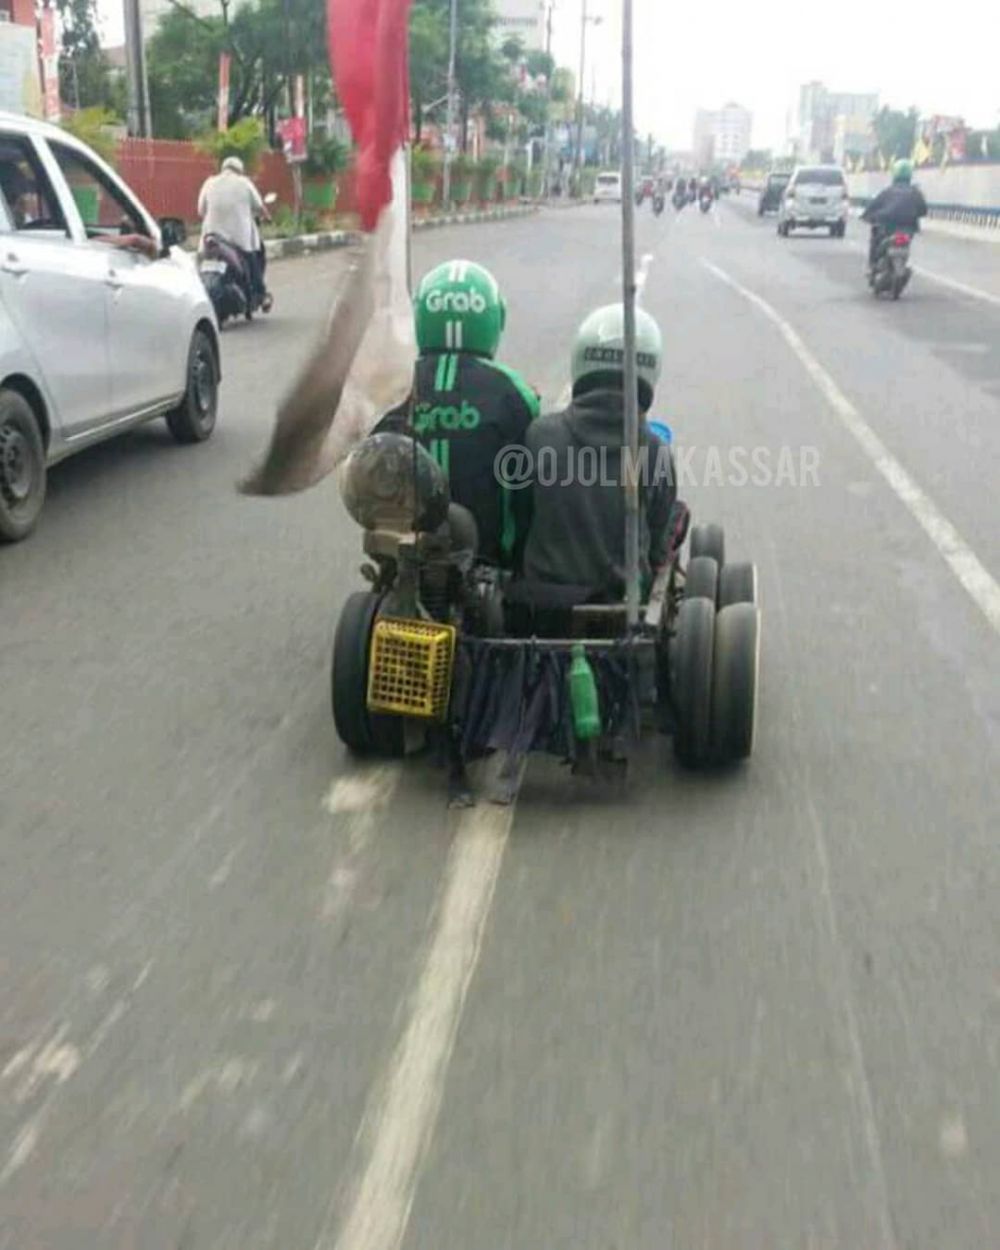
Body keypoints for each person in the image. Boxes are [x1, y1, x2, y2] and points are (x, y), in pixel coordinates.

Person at [377, 260, 540, 567]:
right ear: (495, 319)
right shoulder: (514, 391)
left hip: (399, 551)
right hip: (490, 562)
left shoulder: (392, 383)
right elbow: (523, 496)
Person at [522, 304, 676, 599]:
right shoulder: (654, 451)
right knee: (676, 516)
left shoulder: (539, 435)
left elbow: (519, 522)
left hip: (540, 606)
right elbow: (657, 548)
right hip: (620, 608)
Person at [197, 156, 272, 310]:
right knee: (252, 261)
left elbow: (200, 210)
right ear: (240, 170)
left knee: (200, 262)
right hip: (239, 240)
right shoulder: (244, 183)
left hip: (212, 239)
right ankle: (261, 293)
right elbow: (259, 206)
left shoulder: (209, 182)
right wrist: (267, 216)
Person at [862, 158, 927, 269]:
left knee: (875, 238)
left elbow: (873, 206)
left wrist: (866, 216)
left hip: (887, 227)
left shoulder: (888, 191)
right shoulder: (915, 192)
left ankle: (872, 264)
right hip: (908, 228)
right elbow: (923, 210)